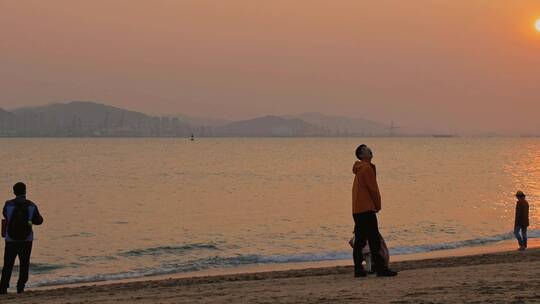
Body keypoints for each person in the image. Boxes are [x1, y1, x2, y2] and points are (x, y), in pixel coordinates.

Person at [352, 144, 397, 277]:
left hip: (357, 209)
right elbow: (373, 189)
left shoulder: (360, 169)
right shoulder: (366, 168)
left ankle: (358, 269)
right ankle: (380, 268)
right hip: (366, 209)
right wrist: (377, 205)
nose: (370, 150)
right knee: (373, 239)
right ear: (361, 155)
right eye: (366, 150)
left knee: (360, 240)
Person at [0, 182, 43, 294]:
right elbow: (39, 221)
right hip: (26, 240)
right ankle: (20, 287)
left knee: (8, 264)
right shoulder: (32, 205)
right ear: (25, 191)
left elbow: (5, 214)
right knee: (24, 264)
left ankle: (3, 288)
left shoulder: (8, 204)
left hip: (11, 240)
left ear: (14, 192)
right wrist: (29, 220)